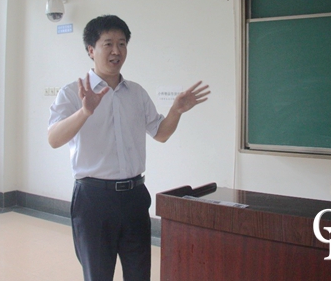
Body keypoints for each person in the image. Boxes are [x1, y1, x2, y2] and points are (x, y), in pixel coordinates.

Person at [48, 15, 210, 281]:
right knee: (98, 275)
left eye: (122, 44)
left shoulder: (136, 93)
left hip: (134, 198)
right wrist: (85, 112)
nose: (116, 51)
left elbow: (160, 134)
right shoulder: (71, 93)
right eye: (108, 44)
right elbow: (54, 139)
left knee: (139, 274)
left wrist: (176, 111)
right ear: (91, 50)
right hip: (94, 200)